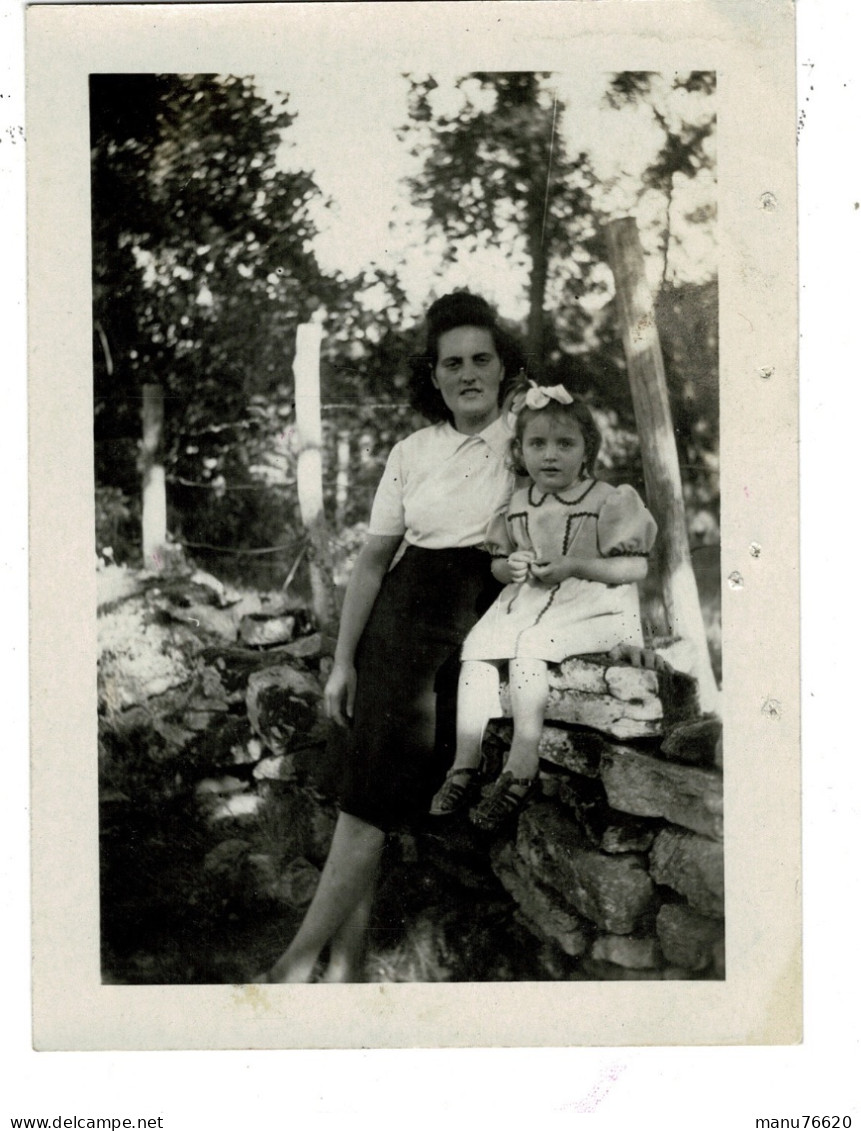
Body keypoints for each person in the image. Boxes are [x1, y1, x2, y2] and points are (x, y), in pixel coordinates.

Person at [259, 292, 524, 982]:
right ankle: (340, 966)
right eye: (452, 363)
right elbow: (373, 560)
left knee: (369, 804)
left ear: (502, 367)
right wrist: (343, 660)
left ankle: (295, 965)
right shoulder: (412, 451)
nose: (467, 374)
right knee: (363, 799)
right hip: (397, 622)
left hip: (470, 623)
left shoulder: (528, 438)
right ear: (432, 376)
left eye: (480, 359)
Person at [429, 380, 658, 831]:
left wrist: (575, 564)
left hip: (594, 608)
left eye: (564, 444)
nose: (550, 455)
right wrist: (510, 568)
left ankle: (522, 765)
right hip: (531, 600)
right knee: (476, 651)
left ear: (586, 449)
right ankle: (465, 763)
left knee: (530, 646)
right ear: (521, 450)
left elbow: (635, 569)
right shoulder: (518, 504)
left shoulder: (607, 500)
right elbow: (498, 563)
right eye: (537, 444)